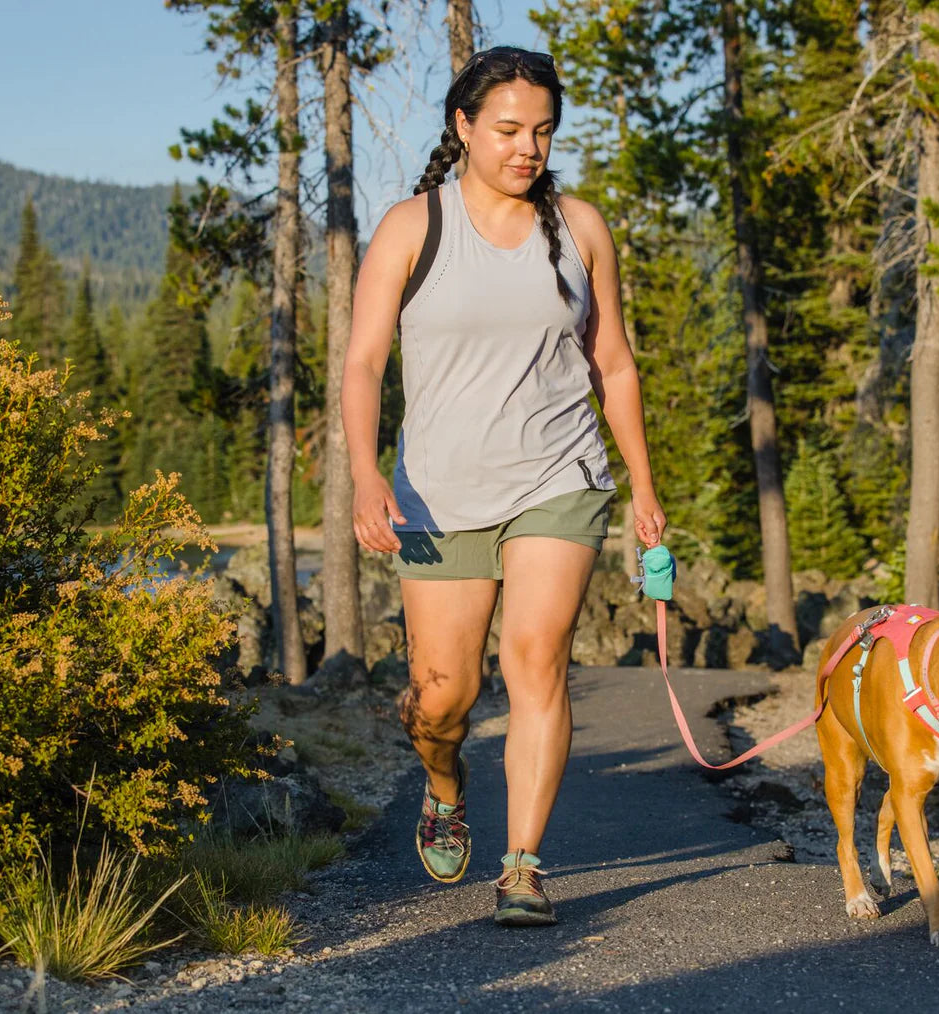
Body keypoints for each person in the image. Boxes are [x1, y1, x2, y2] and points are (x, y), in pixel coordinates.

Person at [341, 45, 665, 927]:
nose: (529, 148)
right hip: (438, 493)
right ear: (464, 126)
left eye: (544, 131)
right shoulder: (415, 226)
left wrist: (641, 487)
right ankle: (445, 785)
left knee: (535, 658)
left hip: (558, 476)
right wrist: (368, 476)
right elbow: (364, 363)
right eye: (511, 129)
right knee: (441, 697)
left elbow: (615, 365)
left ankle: (522, 865)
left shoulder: (582, 227)